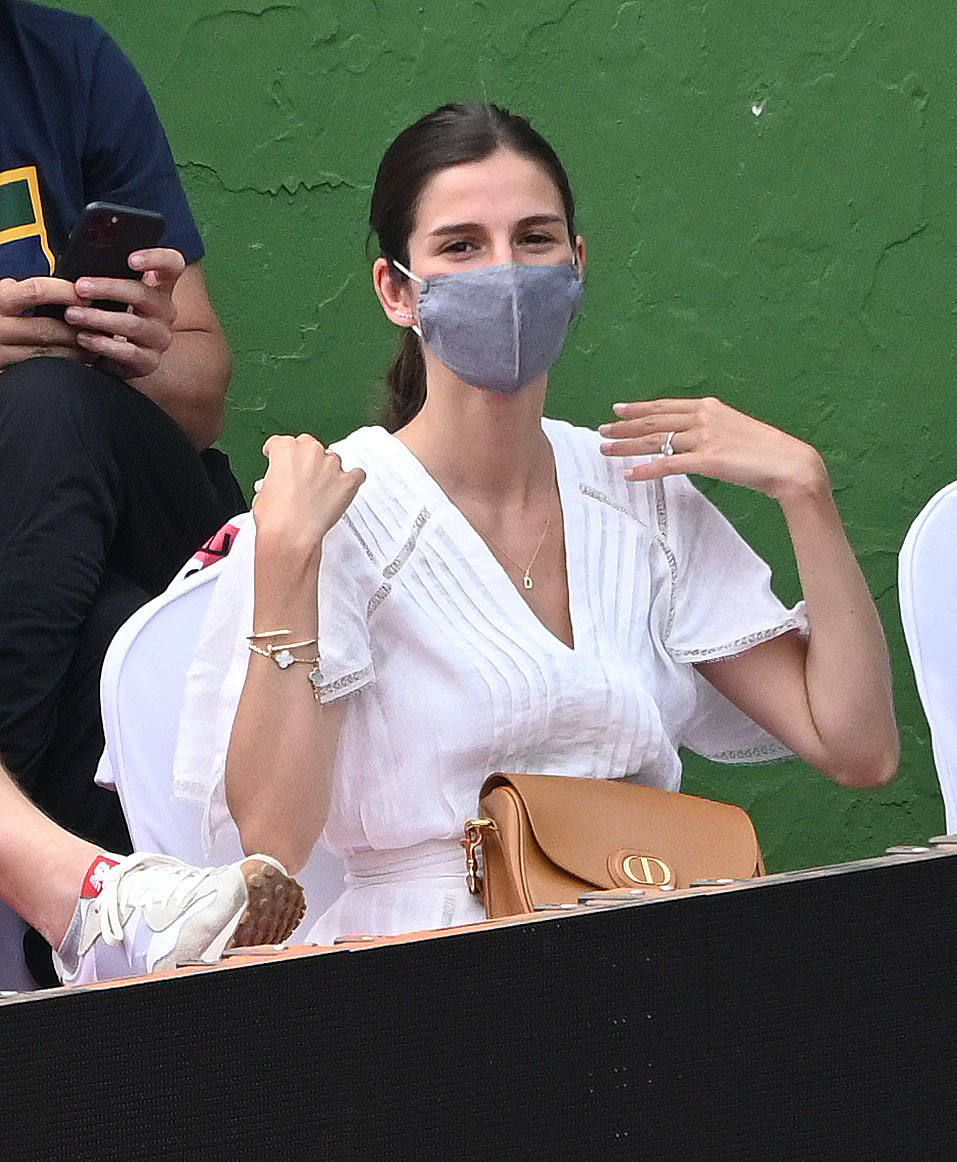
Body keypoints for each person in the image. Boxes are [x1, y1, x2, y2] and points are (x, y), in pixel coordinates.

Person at [174, 103, 898, 945]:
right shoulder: (333, 511)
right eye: (460, 246)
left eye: (534, 239)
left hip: (647, 931)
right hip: (427, 960)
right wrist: (290, 557)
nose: (505, 273)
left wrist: (805, 493)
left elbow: (857, 749)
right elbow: (274, 837)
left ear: (577, 263)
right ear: (396, 291)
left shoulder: (639, 490)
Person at [0, 0, 240, 902]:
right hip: (55, 577)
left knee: (55, 402)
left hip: (141, 505)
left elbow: (203, 388)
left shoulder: (65, 62)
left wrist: (140, 347)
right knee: (111, 651)